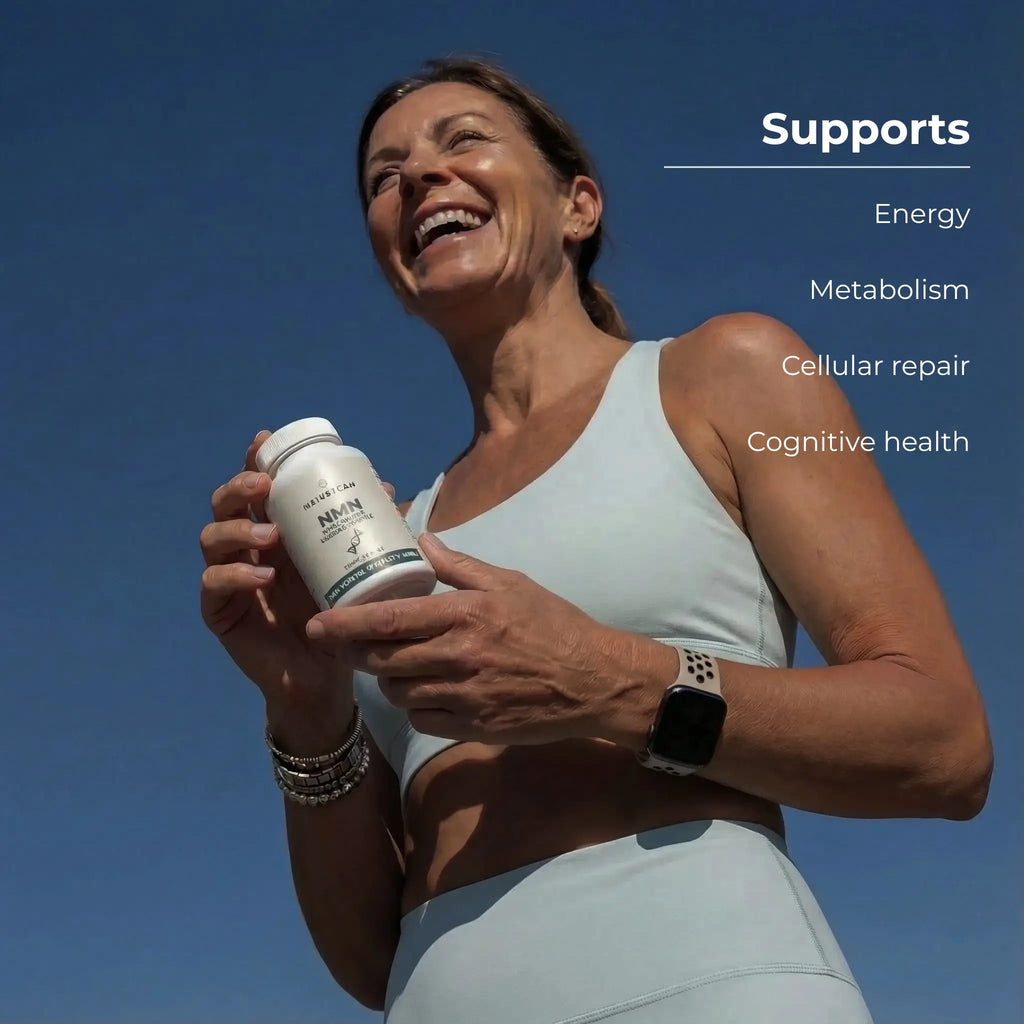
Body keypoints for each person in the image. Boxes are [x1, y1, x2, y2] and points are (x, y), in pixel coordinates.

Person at [199, 57, 993, 1023]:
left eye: (463, 141)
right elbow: (370, 956)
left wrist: (607, 678)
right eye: (383, 176)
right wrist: (305, 702)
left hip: (714, 985)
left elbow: (944, 746)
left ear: (578, 206)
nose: (416, 179)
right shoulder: (383, 547)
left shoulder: (725, 374)